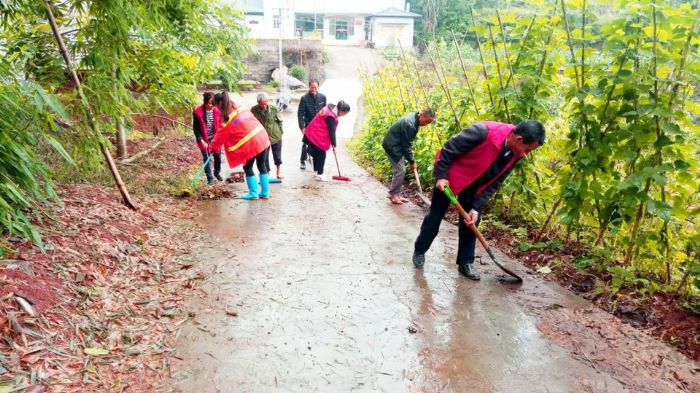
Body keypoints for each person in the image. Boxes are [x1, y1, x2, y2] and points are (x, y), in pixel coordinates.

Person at [412, 120, 545, 280]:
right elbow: (448, 149)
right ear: (519, 139)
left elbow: (497, 180)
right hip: (449, 180)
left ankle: (465, 263)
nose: (526, 153)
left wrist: (476, 207)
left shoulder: (516, 154)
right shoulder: (482, 132)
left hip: (475, 188)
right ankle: (420, 250)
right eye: (528, 149)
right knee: (435, 217)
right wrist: (441, 176)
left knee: (471, 223)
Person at [210, 92, 272, 200]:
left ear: (220, 104)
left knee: (247, 167)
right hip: (262, 138)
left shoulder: (226, 120)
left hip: (252, 144)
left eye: (216, 107)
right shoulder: (241, 108)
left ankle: (253, 193)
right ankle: (265, 193)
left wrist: (212, 148)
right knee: (262, 165)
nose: (217, 110)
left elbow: (219, 138)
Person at [382, 108, 436, 205]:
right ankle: (393, 194)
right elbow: (407, 145)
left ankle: (396, 194)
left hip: (397, 144)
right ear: (421, 115)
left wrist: (411, 159)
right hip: (392, 146)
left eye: (430, 122)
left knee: (400, 170)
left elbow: (407, 143)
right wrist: (412, 162)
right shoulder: (410, 124)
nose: (427, 124)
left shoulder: (414, 117)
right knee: (401, 170)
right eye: (427, 121)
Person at [303, 101, 351, 181]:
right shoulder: (330, 116)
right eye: (345, 114)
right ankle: (320, 174)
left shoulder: (330, 108)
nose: (344, 116)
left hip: (313, 131)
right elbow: (331, 131)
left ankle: (316, 172)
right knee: (322, 154)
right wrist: (334, 145)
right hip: (316, 133)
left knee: (316, 154)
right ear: (342, 111)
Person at [251, 93, 285, 181]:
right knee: (264, 157)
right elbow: (251, 122)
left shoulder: (274, 109)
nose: (264, 106)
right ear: (258, 102)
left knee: (277, 155)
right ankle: (267, 174)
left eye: (265, 103)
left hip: (275, 135)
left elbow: (280, 121)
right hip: (262, 137)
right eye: (262, 104)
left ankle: (278, 172)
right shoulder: (254, 110)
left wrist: (280, 132)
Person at [192, 92, 222, 184]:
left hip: (215, 138)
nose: (211, 105)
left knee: (218, 157)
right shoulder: (197, 112)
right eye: (209, 103)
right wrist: (201, 140)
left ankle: (216, 172)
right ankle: (210, 179)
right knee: (206, 158)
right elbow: (196, 128)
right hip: (204, 139)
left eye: (212, 103)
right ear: (204, 102)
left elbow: (221, 124)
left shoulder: (217, 110)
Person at [297, 79, 327, 170]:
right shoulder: (304, 98)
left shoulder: (323, 97)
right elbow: (300, 113)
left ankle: (315, 160)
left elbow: (325, 111)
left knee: (317, 144)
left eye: (316, 87)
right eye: (312, 87)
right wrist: (302, 127)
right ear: (309, 87)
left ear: (318, 87)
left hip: (319, 126)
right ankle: (302, 160)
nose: (314, 89)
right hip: (308, 125)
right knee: (306, 143)